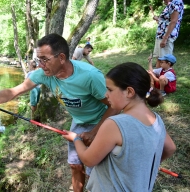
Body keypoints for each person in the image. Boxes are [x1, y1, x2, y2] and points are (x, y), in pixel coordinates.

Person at [0, 33, 120, 192]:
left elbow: (115, 105)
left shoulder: (90, 76)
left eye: (45, 60)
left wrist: (94, 132)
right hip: (78, 121)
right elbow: (13, 92)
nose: (40, 65)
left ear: (61, 58)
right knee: (75, 165)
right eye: (38, 60)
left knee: (93, 171)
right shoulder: (45, 74)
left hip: (101, 122)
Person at [63, 62, 176, 192]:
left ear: (129, 92)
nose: (106, 94)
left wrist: (76, 139)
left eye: (110, 90)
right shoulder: (156, 120)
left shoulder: (114, 124)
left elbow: (88, 160)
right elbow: (170, 148)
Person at [152, 0, 184, 68]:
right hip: (161, 34)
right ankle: (157, 79)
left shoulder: (176, 2)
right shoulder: (171, 2)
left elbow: (174, 21)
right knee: (159, 61)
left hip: (166, 36)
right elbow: (167, 20)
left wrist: (165, 38)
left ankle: (165, 80)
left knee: (165, 64)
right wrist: (158, 19)